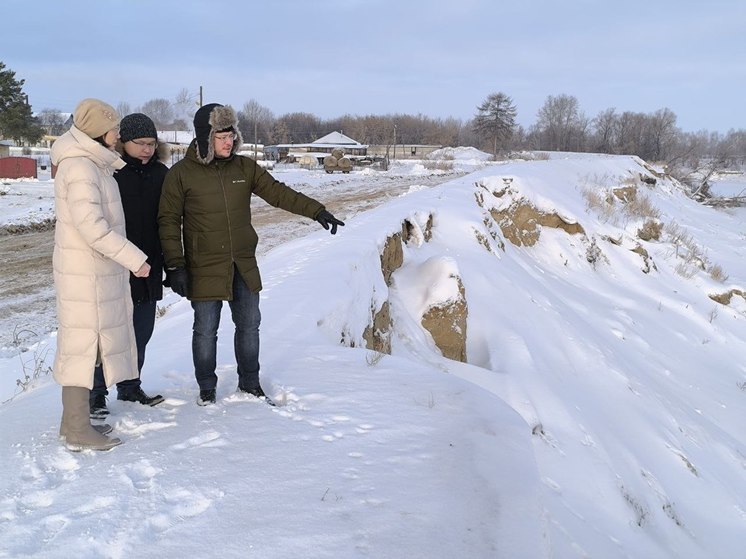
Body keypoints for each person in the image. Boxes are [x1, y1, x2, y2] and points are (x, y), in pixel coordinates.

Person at [158, 103, 344, 406]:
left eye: (231, 135)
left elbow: (278, 192)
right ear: (206, 138)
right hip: (203, 266)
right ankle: (207, 389)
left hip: (241, 265)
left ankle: (250, 383)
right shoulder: (181, 174)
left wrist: (316, 211)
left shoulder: (244, 168)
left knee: (249, 326)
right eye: (221, 137)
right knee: (205, 331)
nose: (229, 142)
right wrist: (176, 266)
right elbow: (167, 221)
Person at [50, 98, 150, 451]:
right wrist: (134, 258)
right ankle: (77, 430)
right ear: (97, 130)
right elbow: (92, 228)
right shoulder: (80, 168)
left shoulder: (94, 165)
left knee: (86, 348)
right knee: (83, 347)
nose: (118, 133)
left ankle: (71, 425)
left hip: (94, 272)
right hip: (85, 274)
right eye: (114, 127)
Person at [89, 113, 167, 418]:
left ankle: (130, 385)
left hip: (149, 265)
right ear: (124, 142)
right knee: (107, 333)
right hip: (116, 264)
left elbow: (168, 220)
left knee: (141, 331)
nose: (147, 149)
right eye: (141, 143)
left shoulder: (161, 174)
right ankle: (96, 393)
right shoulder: (110, 172)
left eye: (152, 143)